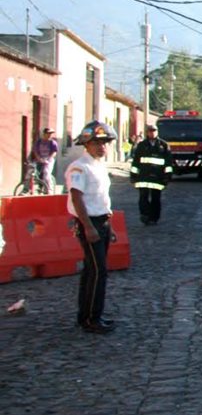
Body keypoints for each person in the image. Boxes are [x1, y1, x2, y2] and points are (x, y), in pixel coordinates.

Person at [65, 121, 118, 334]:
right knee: (99, 271)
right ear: (85, 144)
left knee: (91, 270)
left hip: (101, 221)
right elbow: (77, 198)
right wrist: (88, 227)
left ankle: (86, 315)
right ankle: (91, 319)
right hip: (89, 223)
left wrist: (109, 226)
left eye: (104, 142)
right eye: (96, 142)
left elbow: (102, 200)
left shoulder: (98, 166)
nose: (101, 146)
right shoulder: (79, 167)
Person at [130, 124, 172, 225]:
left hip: (158, 178)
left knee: (156, 199)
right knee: (143, 198)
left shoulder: (164, 145)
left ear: (157, 132)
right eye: (150, 131)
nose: (152, 133)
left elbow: (168, 163)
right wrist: (133, 175)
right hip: (143, 177)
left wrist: (167, 176)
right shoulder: (142, 145)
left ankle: (154, 218)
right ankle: (145, 215)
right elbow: (136, 162)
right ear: (147, 132)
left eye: (154, 131)